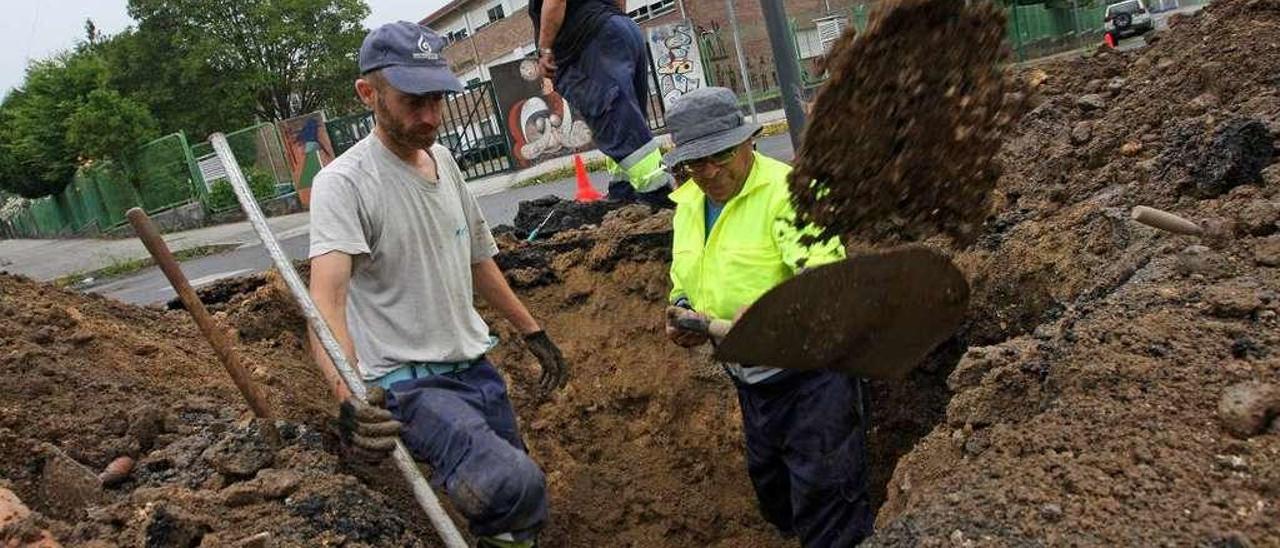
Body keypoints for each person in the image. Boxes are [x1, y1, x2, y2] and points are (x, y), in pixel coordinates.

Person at [308, 22, 569, 548]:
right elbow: (326, 302)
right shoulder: (344, 183)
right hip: (411, 385)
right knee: (509, 484)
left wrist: (532, 331)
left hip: (476, 371)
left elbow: (478, 258)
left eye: (437, 100)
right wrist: (348, 396)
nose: (429, 116)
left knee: (519, 507)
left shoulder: (445, 162)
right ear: (368, 93)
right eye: (412, 101)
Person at [661, 87, 874, 546]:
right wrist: (682, 308)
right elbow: (686, 275)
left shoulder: (790, 193)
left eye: (721, 155)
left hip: (813, 379)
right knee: (775, 494)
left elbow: (827, 284)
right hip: (752, 381)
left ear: (747, 142)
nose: (711, 172)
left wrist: (773, 314)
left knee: (828, 502)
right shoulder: (688, 208)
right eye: (696, 164)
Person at [528, 0, 674, 207]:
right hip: (619, 29)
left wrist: (545, 50)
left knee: (618, 124)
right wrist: (611, 22)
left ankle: (658, 196)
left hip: (587, 40)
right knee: (627, 120)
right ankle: (623, 192)